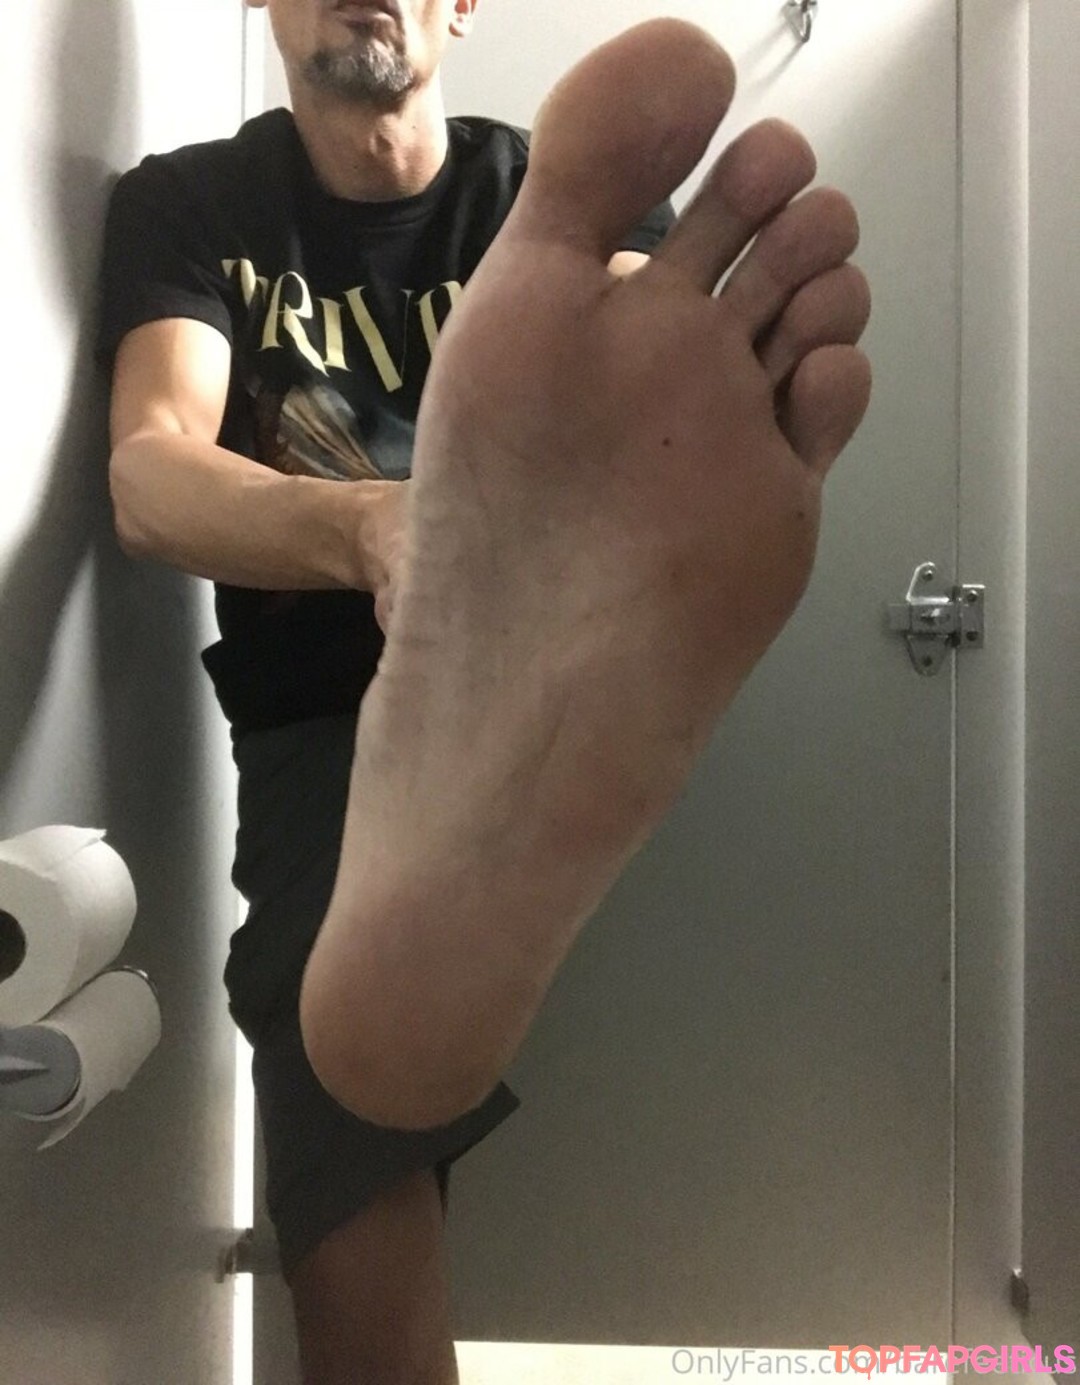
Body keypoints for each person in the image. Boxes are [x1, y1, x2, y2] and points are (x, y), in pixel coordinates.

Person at [100, 2, 871, 1381]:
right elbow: (152, 469)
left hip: (517, 681)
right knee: (355, 990)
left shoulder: (543, 197)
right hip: (326, 705)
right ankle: (500, 726)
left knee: (346, 1032)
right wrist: (387, 532)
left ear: (464, 4)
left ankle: (552, 659)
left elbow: (658, 371)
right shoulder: (195, 203)